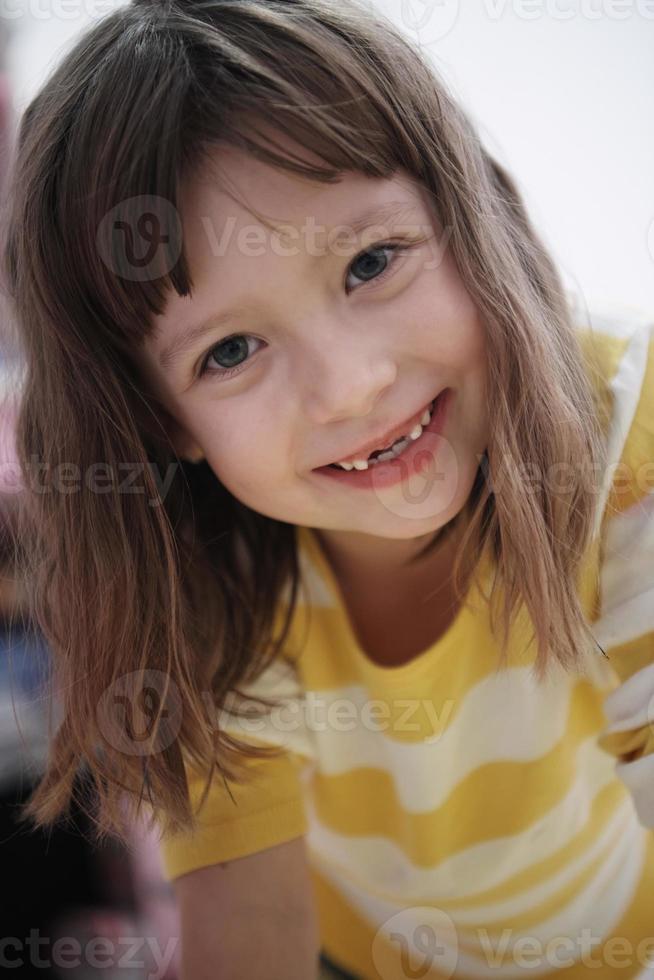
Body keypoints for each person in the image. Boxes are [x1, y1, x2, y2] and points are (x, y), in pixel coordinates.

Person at [1, 0, 653, 977]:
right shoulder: (200, 574)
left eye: (372, 261)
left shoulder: (623, 453)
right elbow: (248, 928)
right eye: (231, 350)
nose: (350, 384)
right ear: (160, 419)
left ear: (468, 212)